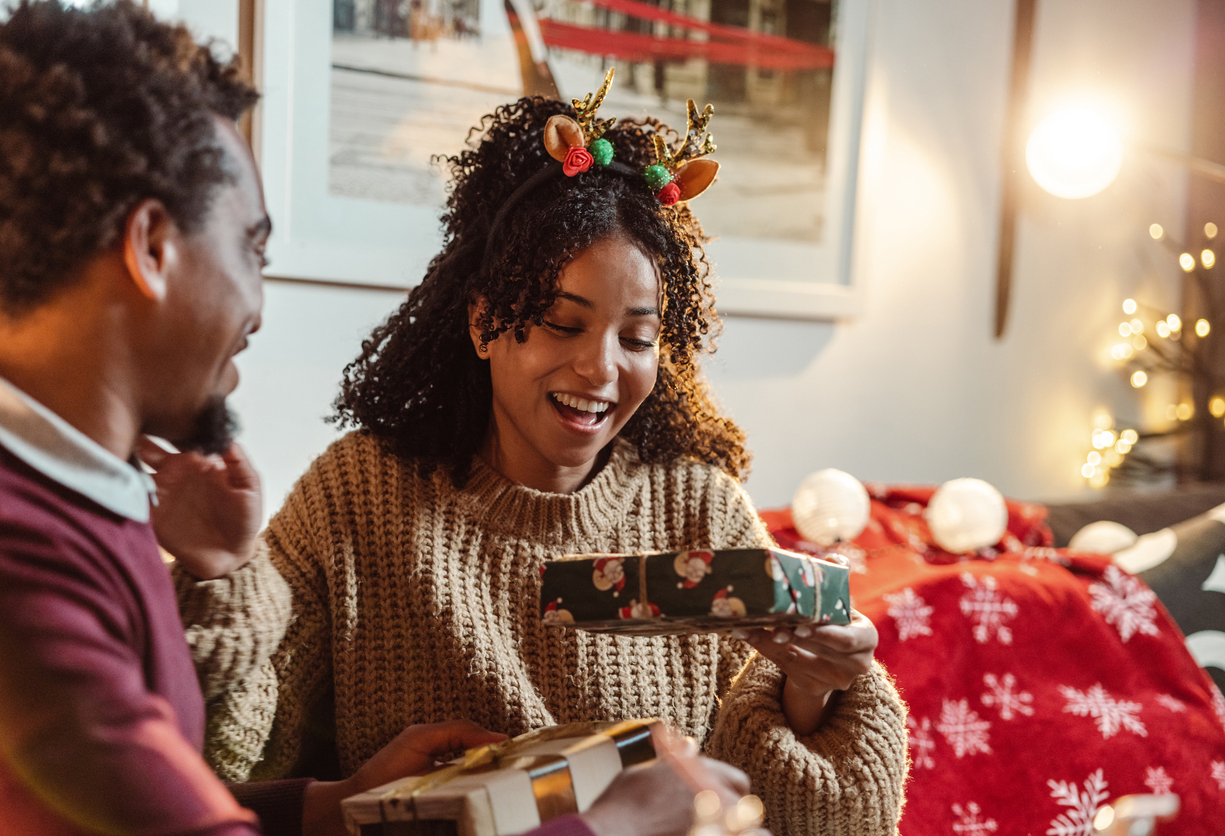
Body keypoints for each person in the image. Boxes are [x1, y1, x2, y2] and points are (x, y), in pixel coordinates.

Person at [0, 3, 751, 835]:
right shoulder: (13, 548)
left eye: (637, 336)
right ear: (153, 247)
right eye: (252, 250)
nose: (258, 307)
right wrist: (617, 824)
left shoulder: (84, 496)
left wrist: (327, 808)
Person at [165, 81, 909, 835]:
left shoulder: (699, 508)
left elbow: (792, 817)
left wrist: (812, 689)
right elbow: (228, 757)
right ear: (487, 322)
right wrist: (215, 575)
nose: (600, 370)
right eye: (561, 323)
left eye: (637, 339)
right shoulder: (360, 496)